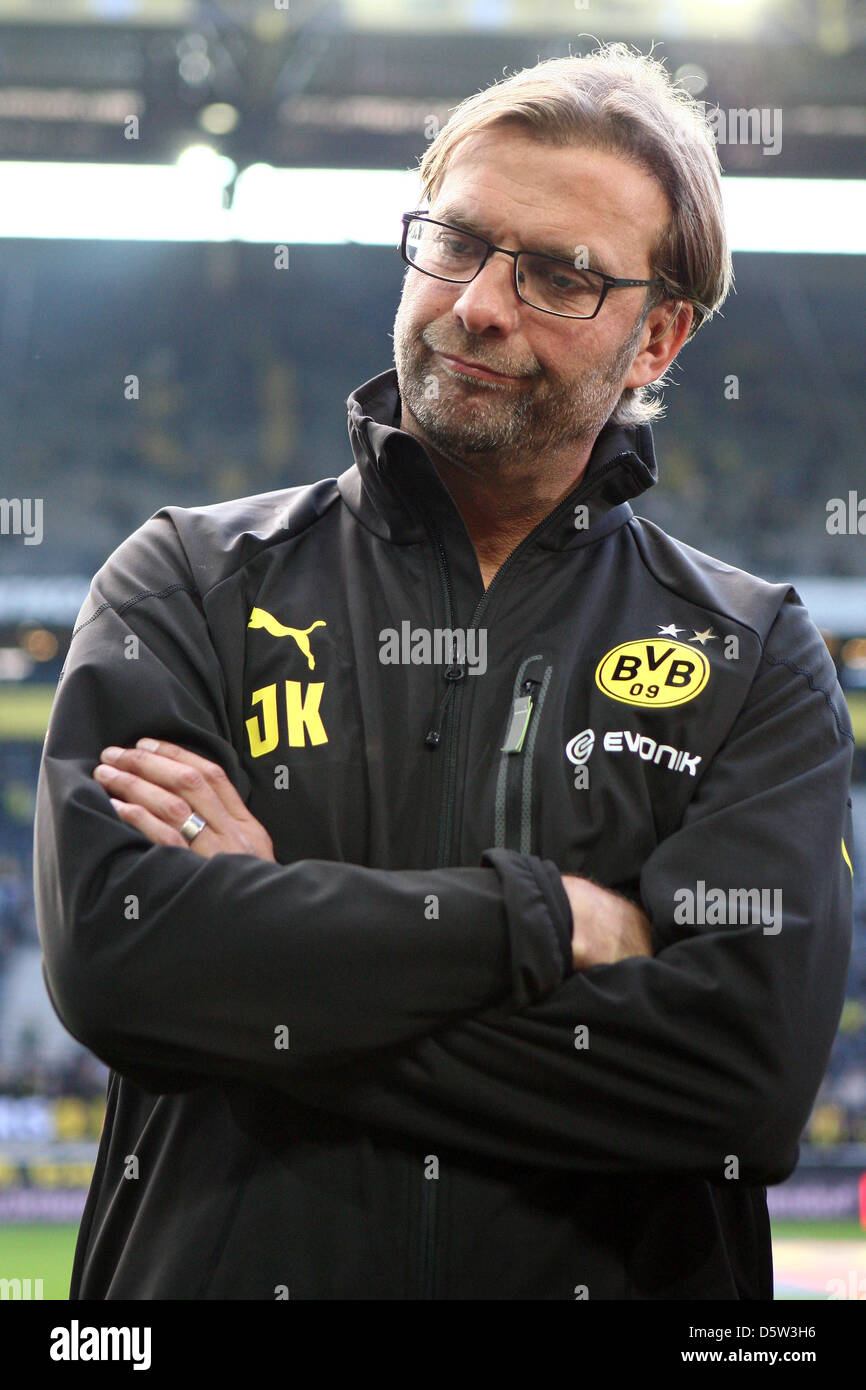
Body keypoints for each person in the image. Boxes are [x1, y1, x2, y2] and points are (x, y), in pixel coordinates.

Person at [34, 42, 853, 1300]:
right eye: (455, 242)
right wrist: (541, 922)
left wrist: (265, 977)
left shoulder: (750, 654)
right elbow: (121, 960)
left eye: (559, 276)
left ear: (657, 340)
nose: (477, 302)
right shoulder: (187, 584)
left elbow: (739, 1084)